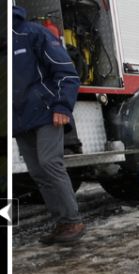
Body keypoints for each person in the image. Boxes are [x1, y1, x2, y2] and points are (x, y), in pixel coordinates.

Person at [12, 5, 85, 245]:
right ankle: (61, 222)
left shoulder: (33, 33)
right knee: (37, 173)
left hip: (46, 113)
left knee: (50, 163)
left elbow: (66, 72)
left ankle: (73, 220)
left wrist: (62, 106)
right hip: (20, 120)